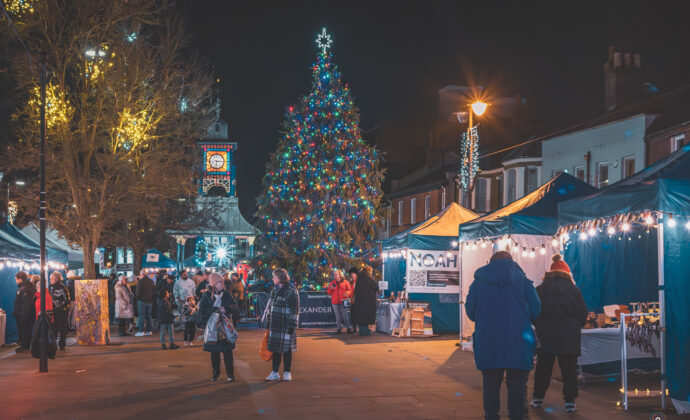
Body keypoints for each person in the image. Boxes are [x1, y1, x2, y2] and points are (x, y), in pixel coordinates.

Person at [465, 251, 541, 420]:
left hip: (488, 341)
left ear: (489, 263)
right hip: (519, 342)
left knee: (490, 386)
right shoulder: (524, 282)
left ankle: (491, 416)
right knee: (517, 387)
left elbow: (470, 312)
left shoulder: (478, 283)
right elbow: (536, 310)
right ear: (512, 262)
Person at [531, 255, 588, 413]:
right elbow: (583, 313)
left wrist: (540, 325)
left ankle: (538, 398)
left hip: (546, 334)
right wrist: (576, 324)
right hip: (569, 335)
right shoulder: (574, 290)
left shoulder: (540, 289)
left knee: (543, 368)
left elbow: (534, 312)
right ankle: (570, 402)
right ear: (567, 274)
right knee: (569, 370)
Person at [199, 272, 238, 381]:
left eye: (222, 281)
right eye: (219, 282)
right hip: (213, 328)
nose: (222, 284)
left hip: (225, 328)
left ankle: (230, 374)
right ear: (214, 283)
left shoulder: (226, 295)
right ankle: (215, 373)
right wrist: (215, 310)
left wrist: (226, 309)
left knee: (228, 352)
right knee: (214, 352)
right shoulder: (206, 296)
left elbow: (235, 307)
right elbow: (202, 311)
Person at [264, 268, 300, 381]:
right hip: (275, 324)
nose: (273, 279)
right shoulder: (274, 290)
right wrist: (268, 319)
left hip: (286, 324)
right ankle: (274, 372)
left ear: (280, 278)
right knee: (275, 349)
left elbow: (295, 309)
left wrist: (293, 324)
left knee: (286, 349)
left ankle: (287, 372)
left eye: (275, 277)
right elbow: (270, 305)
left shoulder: (291, 290)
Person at [350, 266, 378, 336]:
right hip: (368, 301)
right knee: (367, 316)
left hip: (359, 301)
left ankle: (362, 331)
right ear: (369, 271)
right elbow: (375, 288)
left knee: (361, 316)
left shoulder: (359, 278)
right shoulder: (370, 278)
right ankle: (365, 332)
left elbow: (356, 289)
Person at [13, 271, 35, 352]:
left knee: (25, 330)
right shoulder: (25, 287)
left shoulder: (25, 288)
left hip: (24, 315)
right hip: (22, 314)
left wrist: (23, 314)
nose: (16, 281)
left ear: (21, 279)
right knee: (25, 330)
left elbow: (26, 303)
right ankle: (25, 345)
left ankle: (25, 346)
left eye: (16, 279)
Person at [326, 268, 352, 334]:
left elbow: (349, 290)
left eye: (336, 274)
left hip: (343, 301)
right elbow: (329, 292)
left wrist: (347, 293)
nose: (335, 276)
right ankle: (339, 329)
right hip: (335, 302)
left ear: (340, 275)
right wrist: (330, 288)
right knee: (337, 316)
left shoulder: (346, 282)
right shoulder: (332, 283)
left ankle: (348, 328)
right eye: (334, 275)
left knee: (345, 315)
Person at [50, 272, 71, 350]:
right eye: (50, 279)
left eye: (52, 279)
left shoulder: (63, 288)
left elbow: (67, 300)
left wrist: (58, 307)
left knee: (63, 329)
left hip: (62, 312)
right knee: (53, 329)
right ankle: (53, 344)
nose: (50, 280)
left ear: (56, 279)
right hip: (54, 312)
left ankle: (62, 344)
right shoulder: (51, 288)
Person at [135, 269, 154, 337]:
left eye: (140, 274)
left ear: (142, 274)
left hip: (142, 301)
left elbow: (138, 292)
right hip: (150, 301)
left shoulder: (141, 282)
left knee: (141, 316)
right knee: (149, 316)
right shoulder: (151, 281)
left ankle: (141, 331)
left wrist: (137, 298)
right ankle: (149, 331)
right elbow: (153, 291)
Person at [348, 268, 359, 332]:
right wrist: (349, 297)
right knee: (353, 314)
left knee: (358, 313)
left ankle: (359, 327)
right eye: (351, 273)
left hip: (358, 299)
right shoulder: (350, 282)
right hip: (352, 299)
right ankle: (354, 328)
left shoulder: (359, 281)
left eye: (353, 273)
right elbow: (349, 290)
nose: (352, 274)